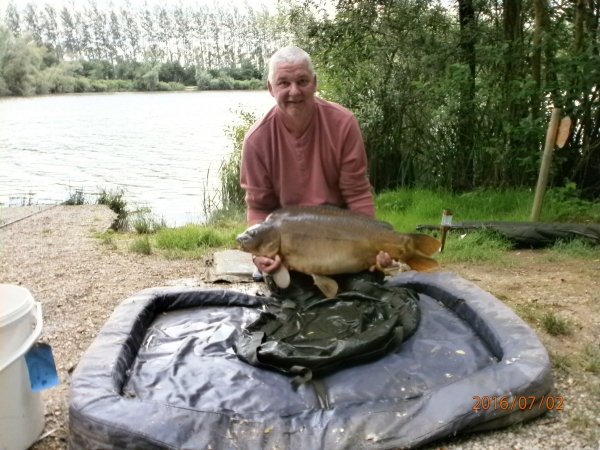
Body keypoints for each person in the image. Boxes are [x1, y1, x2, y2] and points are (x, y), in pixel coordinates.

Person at [240, 46, 392, 277]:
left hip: (342, 235)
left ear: (315, 82)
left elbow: (356, 192)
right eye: (284, 83)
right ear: (271, 88)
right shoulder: (256, 140)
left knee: (364, 290)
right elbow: (259, 206)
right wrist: (259, 254)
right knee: (291, 299)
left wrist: (376, 242)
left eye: (302, 81)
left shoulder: (343, 123)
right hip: (290, 241)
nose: (294, 92)